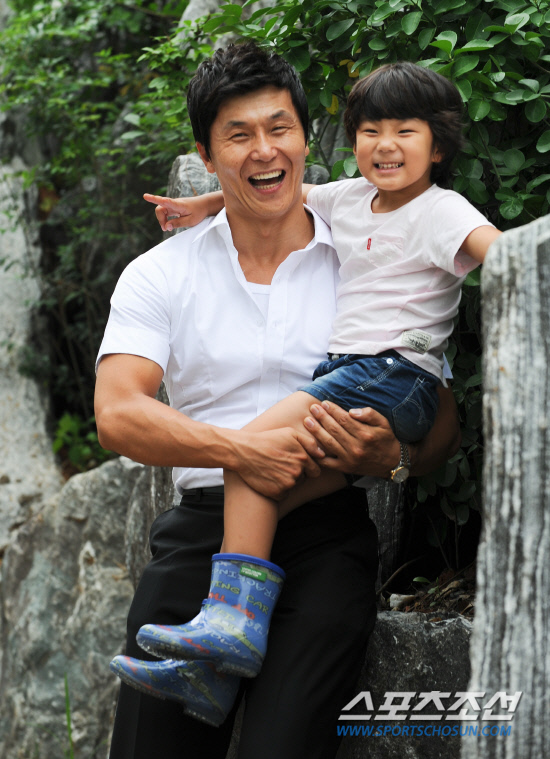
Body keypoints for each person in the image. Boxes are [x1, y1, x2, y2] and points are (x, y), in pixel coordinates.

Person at [95, 43, 461, 759]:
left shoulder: (371, 255)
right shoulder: (160, 273)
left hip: (325, 538)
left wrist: (396, 456)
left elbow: (441, 414)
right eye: (239, 135)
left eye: (279, 127)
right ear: (207, 154)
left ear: (305, 140)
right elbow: (118, 414)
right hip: (200, 535)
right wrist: (244, 453)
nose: (264, 150)